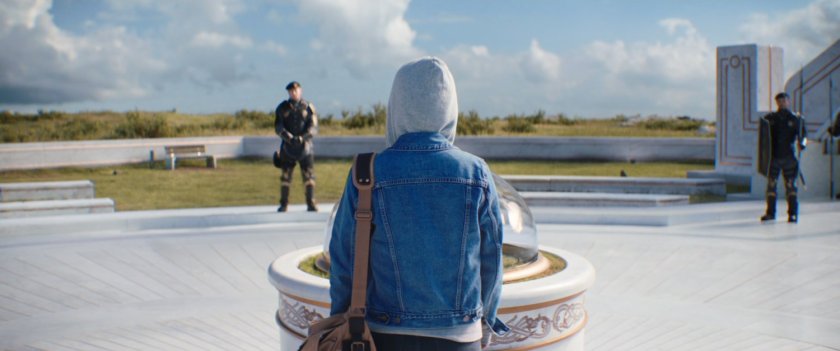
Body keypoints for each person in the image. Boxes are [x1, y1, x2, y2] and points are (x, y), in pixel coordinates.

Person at [328, 57, 509, 351]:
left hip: (383, 333)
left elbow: (344, 259)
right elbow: (492, 260)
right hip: (460, 335)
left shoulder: (368, 171)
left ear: (396, 105)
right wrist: (486, 319)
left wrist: (339, 318)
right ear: (450, 107)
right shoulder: (476, 173)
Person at [761, 92, 807, 223]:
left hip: (789, 157)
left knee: (791, 187)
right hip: (774, 157)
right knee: (771, 186)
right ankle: (770, 213)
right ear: (777, 103)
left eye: (784, 100)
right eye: (780, 101)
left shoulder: (796, 119)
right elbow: (764, 138)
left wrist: (802, 144)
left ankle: (792, 214)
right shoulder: (770, 118)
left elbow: (804, 136)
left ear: (789, 101)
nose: (782, 103)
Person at [275, 81, 318, 212]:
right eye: (291, 91)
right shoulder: (282, 108)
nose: (294, 92)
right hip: (288, 148)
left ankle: (311, 203)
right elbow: (278, 126)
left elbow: (313, 126)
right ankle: (284, 204)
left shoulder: (308, 107)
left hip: (305, 148)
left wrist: (302, 137)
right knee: (285, 177)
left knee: (309, 177)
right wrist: (288, 137)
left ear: (300, 90)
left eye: (296, 90)